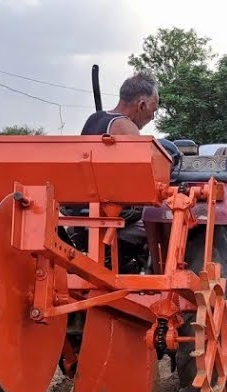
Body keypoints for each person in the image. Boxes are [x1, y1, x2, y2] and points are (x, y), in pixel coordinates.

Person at [75, 72, 162, 272]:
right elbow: (143, 180)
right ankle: (143, 271)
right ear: (141, 105)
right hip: (111, 215)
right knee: (162, 219)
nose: (152, 116)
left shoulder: (94, 119)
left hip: (81, 212)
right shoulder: (126, 127)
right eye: (153, 110)